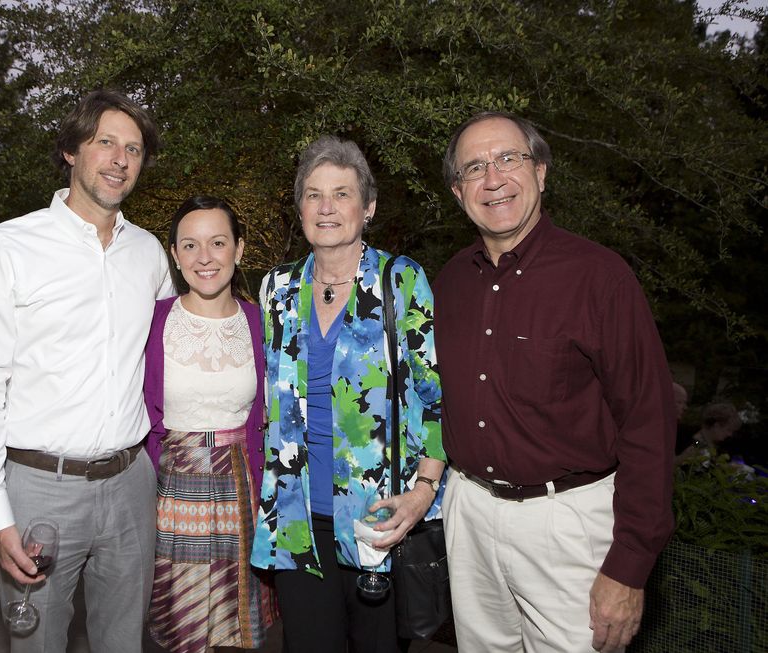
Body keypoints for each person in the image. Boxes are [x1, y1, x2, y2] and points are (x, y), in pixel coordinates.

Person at [433, 111, 675, 653]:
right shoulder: (449, 281)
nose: (493, 178)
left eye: (508, 159)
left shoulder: (599, 278)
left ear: (541, 172)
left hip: (567, 524)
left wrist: (631, 565)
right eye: (475, 167)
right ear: (458, 191)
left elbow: (648, 424)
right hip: (468, 512)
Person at [0, 89, 173, 653]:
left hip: (131, 487)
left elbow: (172, 353)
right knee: (38, 644)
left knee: (125, 643)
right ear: (72, 151)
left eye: (134, 149)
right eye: (105, 143)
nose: (121, 159)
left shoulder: (149, 253)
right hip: (37, 493)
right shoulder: (7, 248)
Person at [250, 136, 445, 653]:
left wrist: (425, 490)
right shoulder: (278, 287)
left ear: (369, 207)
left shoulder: (400, 281)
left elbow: (435, 398)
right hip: (295, 518)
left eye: (341, 193)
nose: (327, 207)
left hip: (377, 519)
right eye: (313, 195)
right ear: (300, 208)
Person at [143, 196, 277, 652]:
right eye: (191, 245)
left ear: (238, 250)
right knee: (179, 626)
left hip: (241, 487)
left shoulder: (262, 324)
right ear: (176, 256)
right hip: (170, 493)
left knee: (233, 632)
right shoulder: (151, 321)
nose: (205, 257)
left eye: (218, 243)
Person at [674, 402, 742, 467]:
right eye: (728, 430)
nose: (730, 434)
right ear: (716, 425)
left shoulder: (716, 445)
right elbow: (695, 444)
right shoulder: (691, 438)